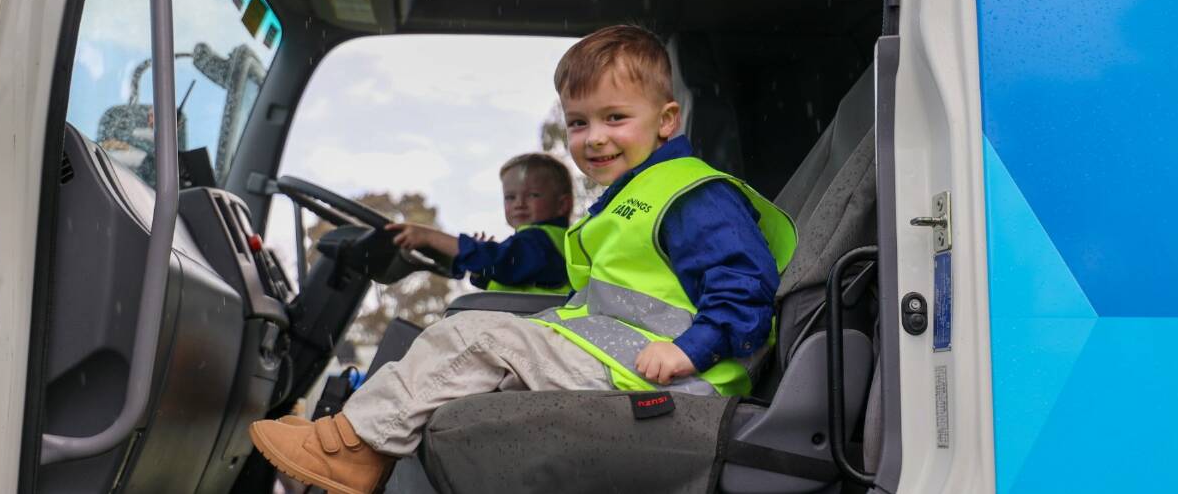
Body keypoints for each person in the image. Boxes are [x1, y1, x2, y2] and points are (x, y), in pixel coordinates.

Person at [248, 25, 797, 494]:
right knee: (471, 336)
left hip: (673, 375)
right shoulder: (635, 195)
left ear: (666, 120)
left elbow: (745, 285)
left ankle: (352, 452)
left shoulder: (692, 194)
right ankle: (356, 446)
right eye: (579, 123)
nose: (594, 138)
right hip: (623, 356)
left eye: (614, 118)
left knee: (473, 337)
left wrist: (688, 350)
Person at [386, 152, 573, 294]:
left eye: (533, 195)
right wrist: (481, 270)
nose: (519, 204)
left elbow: (503, 262)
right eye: (510, 197)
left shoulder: (541, 241)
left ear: (562, 204)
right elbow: (515, 276)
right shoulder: (541, 245)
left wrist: (429, 237)